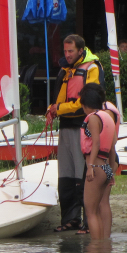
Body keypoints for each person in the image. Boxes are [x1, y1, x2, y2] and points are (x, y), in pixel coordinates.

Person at [47, 34, 105, 233]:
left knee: (83, 174)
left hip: (83, 126)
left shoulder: (92, 68)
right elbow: (59, 99)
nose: (67, 54)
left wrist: (59, 109)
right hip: (66, 126)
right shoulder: (66, 70)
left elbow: (89, 101)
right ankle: (71, 219)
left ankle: (89, 221)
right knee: (66, 175)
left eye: (70, 51)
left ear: (81, 50)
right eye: (65, 51)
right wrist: (51, 110)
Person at [79, 85, 117, 239]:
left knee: (91, 212)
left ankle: (96, 248)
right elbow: (112, 147)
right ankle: (103, 246)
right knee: (99, 209)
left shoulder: (93, 118)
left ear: (85, 105)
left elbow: (95, 143)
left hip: (96, 167)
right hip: (106, 167)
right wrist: (111, 171)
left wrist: (90, 166)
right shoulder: (108, 117)